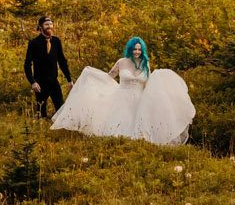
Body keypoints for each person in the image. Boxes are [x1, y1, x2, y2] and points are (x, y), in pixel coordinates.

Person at [50, 35, 196, 145]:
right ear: (130, 49)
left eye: (139, 49)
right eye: (135, 49)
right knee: (119, 126)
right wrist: (92, 76)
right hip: (122, 98)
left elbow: (149, 81)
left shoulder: (145, 64)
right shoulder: (122, 62)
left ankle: (136, 146)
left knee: (137, 128)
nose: (137, 52)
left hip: (139, 99)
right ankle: (118, 145)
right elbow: (109, 77)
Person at [22, 15, 71, 119]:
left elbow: (62, 61)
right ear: (40, 27)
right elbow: (27, 64)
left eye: (51, 24)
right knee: (41, 113)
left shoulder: (56, 41)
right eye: (46, 24)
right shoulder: (33, 43)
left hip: (54, 82)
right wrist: (33, 82)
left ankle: (61, 131)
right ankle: (41, 131)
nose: (49, 26)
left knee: (61, 110)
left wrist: (69, 80)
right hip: (40, 84)